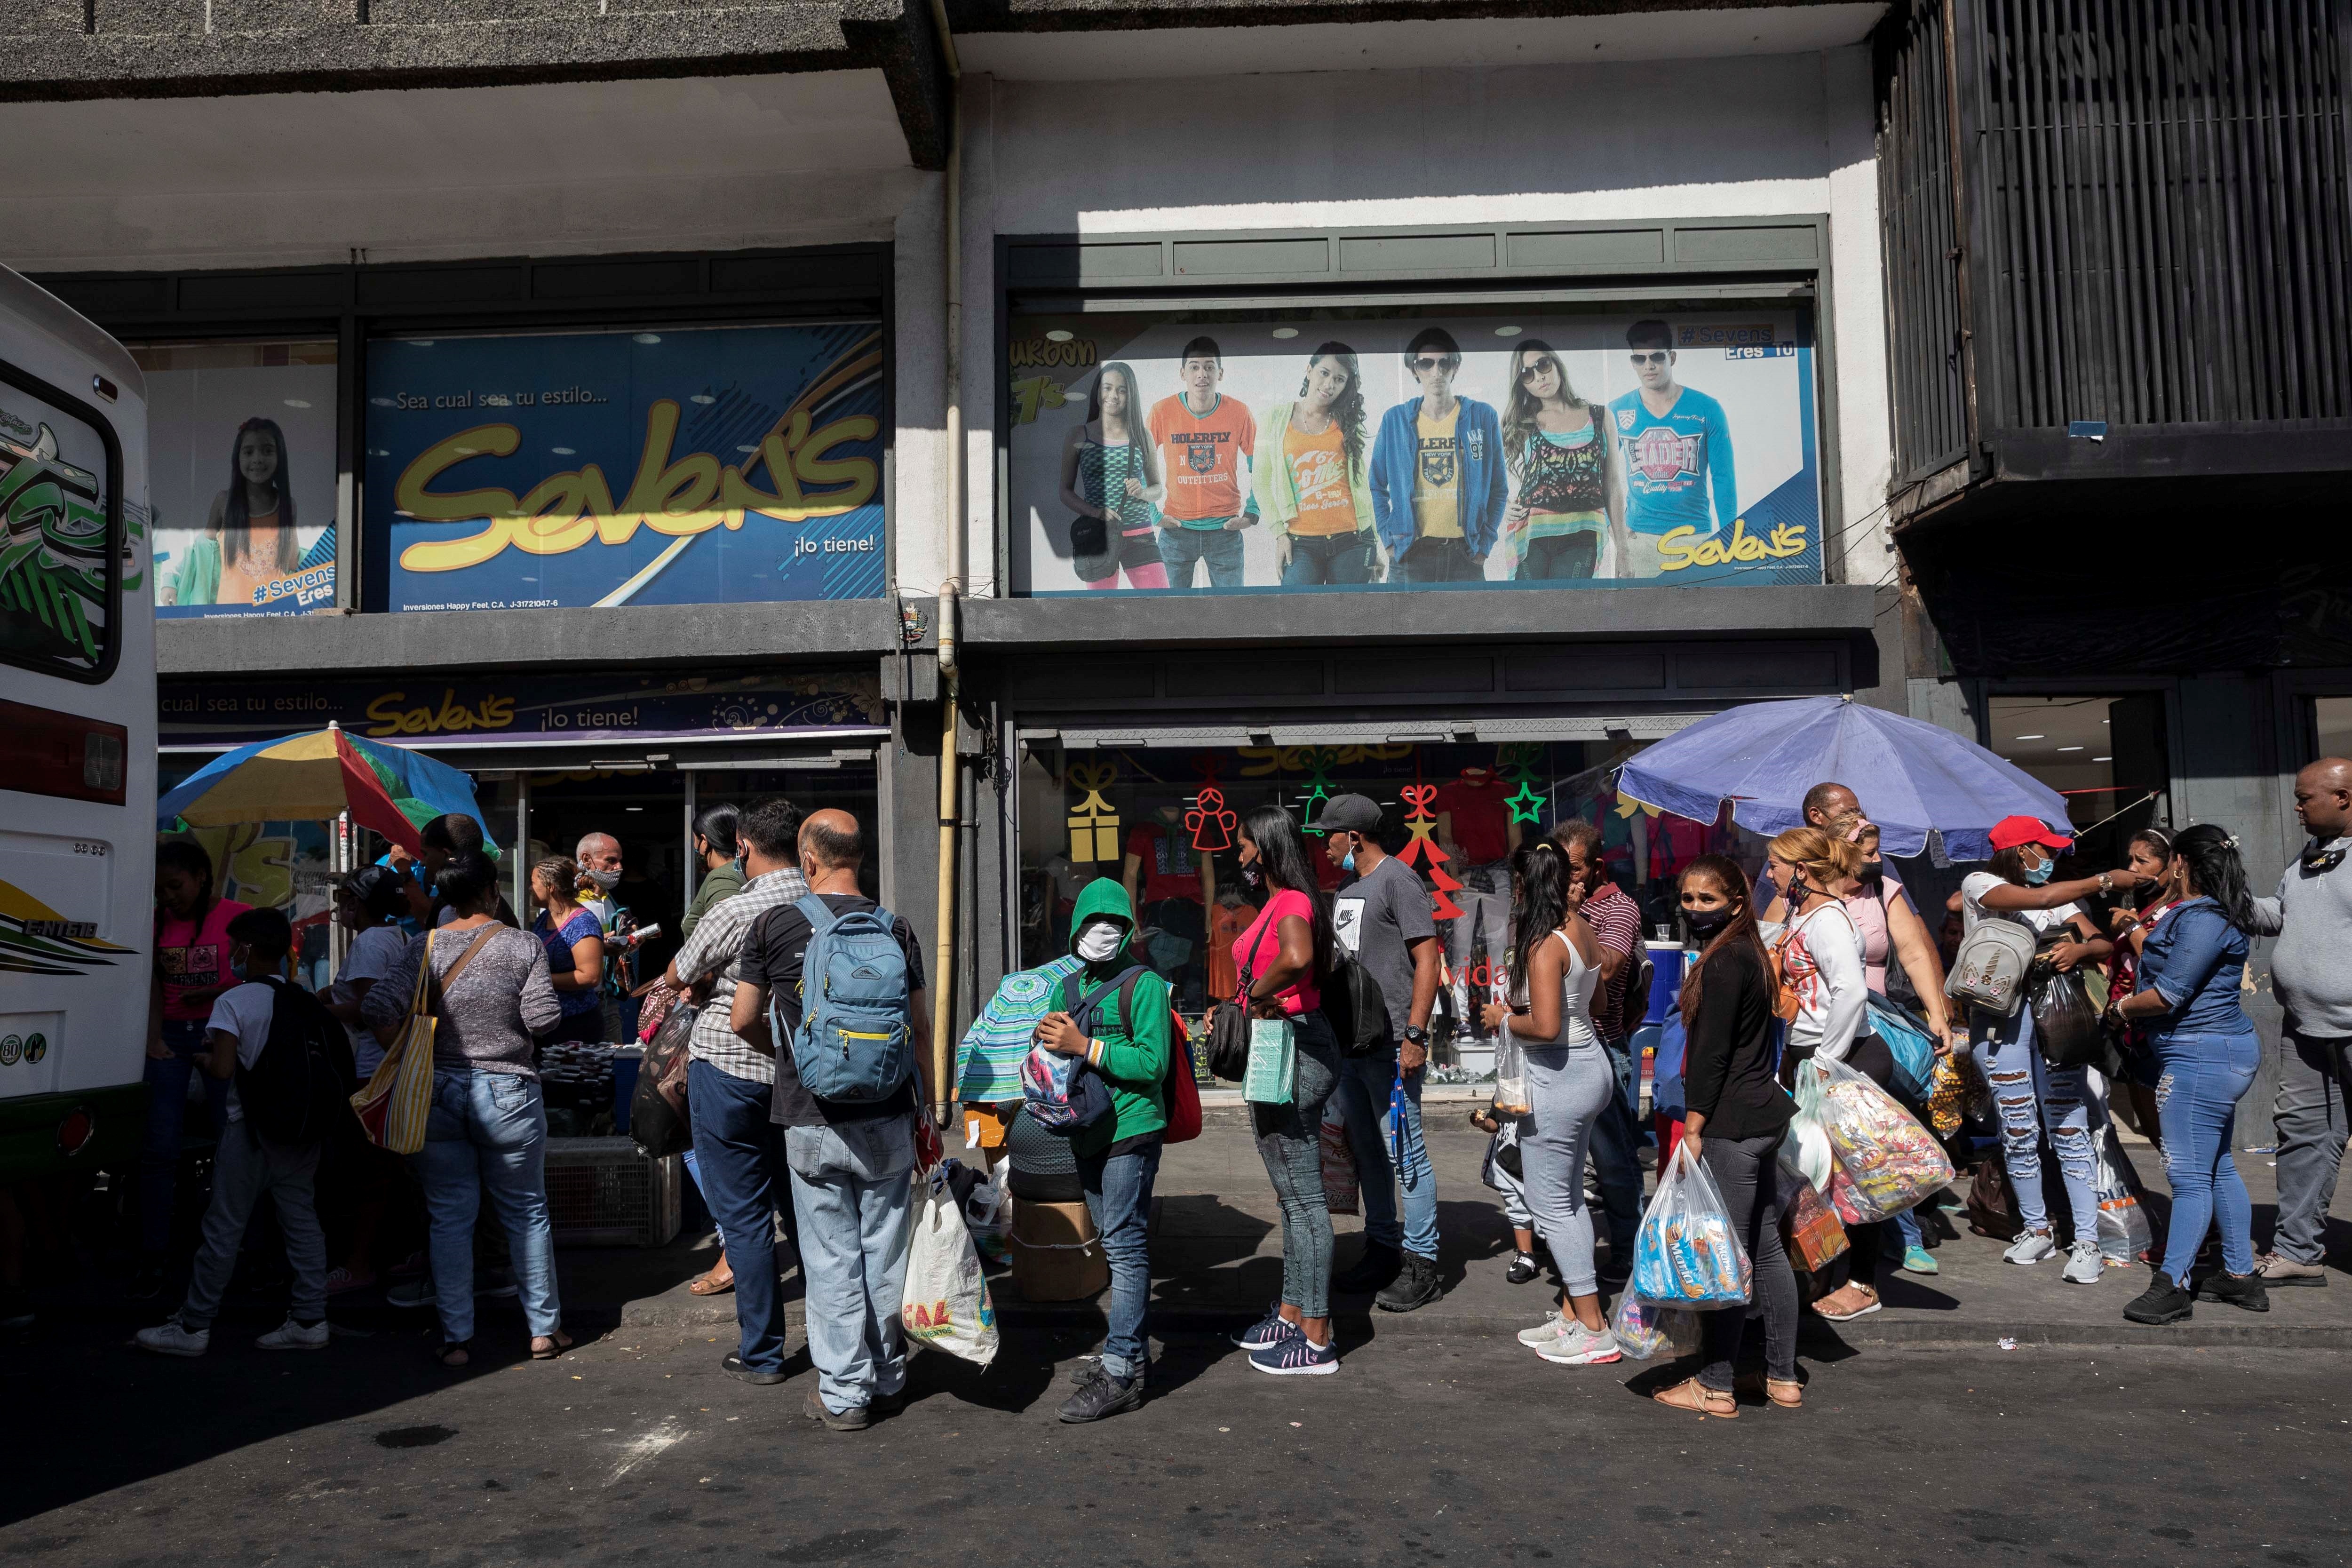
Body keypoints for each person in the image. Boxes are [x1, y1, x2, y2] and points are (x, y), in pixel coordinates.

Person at [732, 809, 934, 1430]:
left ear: (809, 861)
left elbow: (742, 1020)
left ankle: (845, 1393)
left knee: (829, 1259)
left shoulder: (774, 924)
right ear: (859, 858)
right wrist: (930, 1107)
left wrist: (792, 1059)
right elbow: (920, 1028)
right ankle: (890, 1374)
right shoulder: (895, 929)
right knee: (884, 1250)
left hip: (810, 1116)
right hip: (889, 1114)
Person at [361, 850, 570, 1368]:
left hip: (434, 1091)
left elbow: (375, 1008)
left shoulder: (423, 945)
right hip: (509, 1093)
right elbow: (543, 1020)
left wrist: (411, 1045)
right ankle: (544, 1331)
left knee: (449, 1218)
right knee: (525, 1212)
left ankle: (457, 1337)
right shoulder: (523, 944)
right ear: (490, 892)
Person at [134, 908, 339, 1356]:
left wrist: (205, 1059)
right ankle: (310, 1317)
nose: (230, 954)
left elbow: (224, 1067)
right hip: (300, 1130)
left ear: (246, 949)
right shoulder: (301, 996)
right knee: (302, 1222)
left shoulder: (234, 1002)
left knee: (224, 1225)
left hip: (251, 1131)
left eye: (233, 947)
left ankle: (193, 1325)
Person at [1961, 816, 2140, 1285]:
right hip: (1999, 1025)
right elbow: (2039, 899)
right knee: (2017, 1130)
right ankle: (2035, 1228)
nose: (2054, 859)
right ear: (2021, 851)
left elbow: (2099, 941)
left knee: (2067, 1126)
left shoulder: (2063, 898)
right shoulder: (1980, 884)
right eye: (2047, 849)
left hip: (2056, 1023)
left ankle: (2086, 1241)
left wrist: (2078, 952)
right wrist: (2105, 880)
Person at [664, 795, 809, 1376]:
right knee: (804, 1212)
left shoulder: (736, 908)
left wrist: (695, 985)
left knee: (746, 1217)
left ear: (743, 847)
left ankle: (763, 1353)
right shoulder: (821, 902)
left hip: (729, 1068)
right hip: (801, 1077)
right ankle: (837, 1342)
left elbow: (680, 970)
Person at [1653, 855, 1802, 1414]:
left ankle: (1714, 1384)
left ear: (1736, 903)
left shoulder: (1722, 963)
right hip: (1760, 1116)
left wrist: (1691, 1127)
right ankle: (1782, 1377)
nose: (1694, 910)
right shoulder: (1748, 954)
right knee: (1762, 1249)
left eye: (1706, 900)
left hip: (1731, 1125)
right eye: (1687, 899)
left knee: (1724, 1257)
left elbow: (1709, 1056)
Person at [2111, 824, 2271, 1323]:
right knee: (2215, 1165)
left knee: (2186, 1176)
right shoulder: (2200, 914)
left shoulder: (2204, 919)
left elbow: (2167, 995)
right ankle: (2239, 1277)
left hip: (2200, 1057)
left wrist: (2116, 1011)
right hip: (2208, 1053)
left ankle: (2173, 1284)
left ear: (2179, 862)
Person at [1031, 878, 1173, 1420]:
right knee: (1115, 1242)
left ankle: (1120, 1369)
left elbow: (1152, 1065)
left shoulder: (1144, 986)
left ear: (1129, 931)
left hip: (1131, 1129)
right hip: (1083, 1128)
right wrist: (1042, 1047)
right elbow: (1047, 1051)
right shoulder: (1064, 988)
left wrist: (1084, 1046)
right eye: (1092, 924)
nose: (1102, 934)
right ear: (1075, 931)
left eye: (1113, 925)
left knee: (1124, 1246)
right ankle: (1128, 1358)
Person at [1486, 841, 1621, 1366]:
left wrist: (1501, 1019)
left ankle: (1593, 1327)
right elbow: (1599, 1001)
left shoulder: (1544, 945)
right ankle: (1573, 1313)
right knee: (1568, 1200)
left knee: (1550, 1207)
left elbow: (1542, 1027)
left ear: (1522, 886)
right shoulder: (1581, 929)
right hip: (1589, 1070)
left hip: (1559, 1081)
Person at [1766, 826, 1907, 1321]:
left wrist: (1825, 1062)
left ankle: (1862, 1283)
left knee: (1852, 1175)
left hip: (1842, 1056)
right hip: (1812, 1056)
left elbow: (1849, 992)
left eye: (1775, 865)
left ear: (1800, 871)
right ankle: (1820, 1273)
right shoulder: (1800, 913)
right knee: (1813, 1175)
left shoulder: (1825, 919)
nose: (1769, 873)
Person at [1224, 806, 1346, 1375]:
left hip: (1299, 1047)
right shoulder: (1277, 902)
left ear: (1267, 849)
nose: (1240, 856)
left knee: (1303, 1197)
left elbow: (1297, 960)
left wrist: (1250, 998)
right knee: (1290, 1196)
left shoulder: (1293, 900)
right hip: (1280, 1047)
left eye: (1246, 846)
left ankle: (1316, 1336)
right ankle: (1295, 1311)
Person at [1318, 795, 1445, 1312]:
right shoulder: (1349, 886)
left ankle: (1423, 1263)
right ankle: (1383, 1247)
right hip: (1351, 1042)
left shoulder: (1398, 880)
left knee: (1405, 1152)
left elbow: (1428, 959)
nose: (1322, 844)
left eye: (1329, 834)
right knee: (1368, 1150)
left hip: (1392, 1041)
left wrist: (1415, 1036)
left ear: (1354, 837)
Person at [1762, 782, 1960, 1050]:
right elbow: (1765, 956)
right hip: (1806, 1033)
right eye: (1870, 853)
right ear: (1842, 853)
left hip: (1877, 1027)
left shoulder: (1882, 890)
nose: (1879, 860)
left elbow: (1914, 954)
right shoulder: (1793, 897)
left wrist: (1936, 1012)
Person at [2252, 758, 2352, 1288]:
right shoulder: (2309, 858)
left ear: (2342, 798)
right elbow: (2278, 914)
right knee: (2300, 1136)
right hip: (2306, 1028)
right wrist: (2229, 899)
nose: (2295, 808)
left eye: (2304, 798)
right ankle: (2296, 1252)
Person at [137, 839, 251, 1298]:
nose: (168, 896)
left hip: (222, 1037)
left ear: (202, 877)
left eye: (175, 885)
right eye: (160, 889)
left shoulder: (237, 919)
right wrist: (152, 1038)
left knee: (234, 1148)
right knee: (157, 1151)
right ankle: (153, 1256)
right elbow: (149, 984)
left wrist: (212, 996)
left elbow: (255, 979)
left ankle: (234, 1251)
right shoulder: (153, 923)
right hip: (169, 1042)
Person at [1549, 819, 1644, 1280]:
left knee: (1614, 1161)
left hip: (1603, 1050)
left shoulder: (1618, 910)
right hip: (1555, 1049)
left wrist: (1570, 919)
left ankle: (1629, 1251)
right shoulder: (1556, 903)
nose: (1563, 878)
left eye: (1571, 869)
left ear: (1597, 867)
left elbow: (1605, 972)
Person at [318, 865, 417, 1294]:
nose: (341, 906)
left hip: (369, 1070)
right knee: (389, 1168)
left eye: (345, 899)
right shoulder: (398, 937)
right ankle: (393, 1254)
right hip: (388, 1066)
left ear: (358, 903)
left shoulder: (370, 942)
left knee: (369, 1172)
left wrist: (316, 1007)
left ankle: (359, 1265)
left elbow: (367, 1008)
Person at [1370, 328, 1508, 584]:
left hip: (1465, 555)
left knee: (1470, 626)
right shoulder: (1395, 420)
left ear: (1455, 367)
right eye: (1426, 364)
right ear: (1415, 370)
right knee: (1406, 626)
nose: (1437, 372)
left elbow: (1499, 489)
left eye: (1445, 363)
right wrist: (1389, 541)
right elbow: (1377, 484)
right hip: (1411, 555)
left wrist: (1484, 547)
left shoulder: (1482, 417)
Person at [1608, 319, 1736, 577]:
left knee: (1702, 617)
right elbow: (1599, 475)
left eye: (1656, 356)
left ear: (1672, 357)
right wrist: (1609, 524)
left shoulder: (1707, 408)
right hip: (1640, 539)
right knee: (1639, 618)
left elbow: (1724, 478)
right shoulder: (1618, 410)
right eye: (1639, 359)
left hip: (1696, 538)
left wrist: (1730, 537)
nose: (1649, 366)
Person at [1498, 339, 1629, 579]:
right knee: (1528, 614)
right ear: (1522, 385)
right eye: (1527, 374)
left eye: (1543, 365)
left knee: (1568, 611)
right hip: (1531, 536)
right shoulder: (1524, 422)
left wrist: (1623, 550)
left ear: (1556, 364)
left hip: (1583, 535)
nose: (1539, 377)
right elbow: (1490, 476)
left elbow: (1613, 486)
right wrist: (1505, 506)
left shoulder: (1601, 417)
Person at [1251, 342, 1377, 587]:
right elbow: (1261, 482)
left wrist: (1377, 548)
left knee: (1351, 622)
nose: (1330, 385)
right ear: (1309, 371)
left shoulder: (1348, 422)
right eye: (1325, 373)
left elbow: (1363, 487)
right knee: (1297, 618)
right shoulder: (1275, 419)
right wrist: (1279, 534)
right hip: (1301, 543)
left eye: (1340, 380)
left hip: (1354, 539)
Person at [1145, 338, 1257, 589]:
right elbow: (1140, 462)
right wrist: (1153, 513)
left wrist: (1253, 513)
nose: (1202, 374)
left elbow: (1260, 465)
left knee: (1230, 614)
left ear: (1220, 373)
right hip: (1176, 531)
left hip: (1225, 530)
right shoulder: (1162, 412)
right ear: (1183, 373)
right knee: (1169, 615)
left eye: (1209, 367)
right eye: (1194, 367)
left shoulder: (1239, 412)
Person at [2102, 828, 2183, 1155]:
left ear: (2172, 867)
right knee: (2155, 1133)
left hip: (2160, 1034)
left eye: (2142, 860)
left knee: (2173, 1138)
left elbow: (2156, 959)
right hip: (2131, 1032)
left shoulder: (2181, 910)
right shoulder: (2146, 907)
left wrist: (2130, 926)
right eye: (2129, 860)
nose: (2132, 868)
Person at [163, 417, 301, 607]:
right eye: (249, 452)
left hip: (273, 613)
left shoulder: (288, 506)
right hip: (227, 615)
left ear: (280, 457)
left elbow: (293, 563)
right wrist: (171, 581)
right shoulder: (224, 502)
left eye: (268, 451)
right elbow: (200, 553)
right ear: (238, 458)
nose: (258, 459)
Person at [1060, 360, 1170, 592]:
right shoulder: (1080, 435)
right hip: (1098, 538)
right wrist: (1096, 513)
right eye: (1107, 388)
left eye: (1122, 390)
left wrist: (1142, 491)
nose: (1114, 395)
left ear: (1131, 396)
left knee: (1161, 608)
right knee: (1102, 616)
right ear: (1098, 392)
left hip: (1141, 536)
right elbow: (1065, 492)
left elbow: (1158, 487)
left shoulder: (1142, 435)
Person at [530, 857, 607, 1048]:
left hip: (575, 1024)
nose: (530, 889)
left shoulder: (582, 922)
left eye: (533, 883)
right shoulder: (545, 918)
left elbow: (589, 977)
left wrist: (541, 979)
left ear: (551, 887)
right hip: (547, 1022)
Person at [681, 803, 747, 941]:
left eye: (695, 840)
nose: (694, 847)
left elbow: (723, 938)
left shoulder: (722, 879)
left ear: (704, 842)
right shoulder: (741, 870)